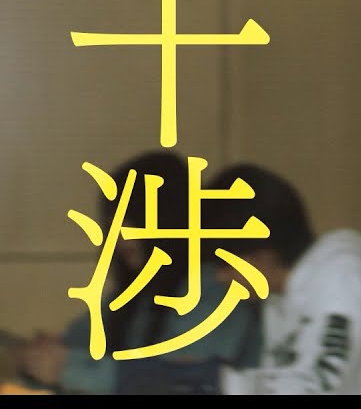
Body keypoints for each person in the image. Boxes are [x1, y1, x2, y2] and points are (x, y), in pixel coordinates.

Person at [114, 162, 361, 394]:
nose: (220, 278)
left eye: (224, 265)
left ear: (261, 257)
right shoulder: (278, 301)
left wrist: (216, 380)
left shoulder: (343, 275)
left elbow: (315, 386)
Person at [14, 150, 262, 394]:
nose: (118, 235)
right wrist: (39, 358)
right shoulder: (138, 292)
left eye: (129, 219)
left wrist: (68, 368)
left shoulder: (213, 287)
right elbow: (76, 343)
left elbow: (180, 381)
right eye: (112, 222)